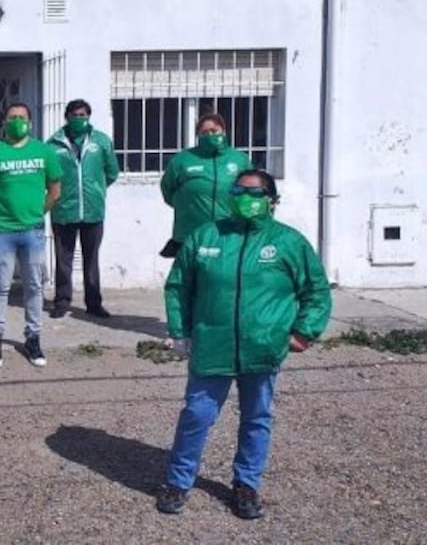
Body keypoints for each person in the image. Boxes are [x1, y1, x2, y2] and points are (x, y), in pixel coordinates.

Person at [156, 169, 332, 519]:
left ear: (272, 201)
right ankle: (178, 481)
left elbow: (316, 291)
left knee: (256, 417)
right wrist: (180, 331)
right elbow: (178, 286)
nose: (244, 197)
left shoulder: (288, 242)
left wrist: (304, 332)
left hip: (262, 347)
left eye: (254, 192)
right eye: (238, 190)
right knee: (197, 414)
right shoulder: (207, 235)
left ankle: (246, 484)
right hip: (212, 345)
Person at [0, 103, 62, 369]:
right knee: (0, 286)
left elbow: (55, 190)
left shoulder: (44, 151)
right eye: (12, 117)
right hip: (2, 231)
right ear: (4, 122)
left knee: (34, 286)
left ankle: (33, 338)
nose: (17, 121)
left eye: (21, 118)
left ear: (31, 123)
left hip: (33, 230)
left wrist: (37, 213)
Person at [47, 98, 119, 319]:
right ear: (66, 117)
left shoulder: (102, 142)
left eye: (83, 115)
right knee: (63, 259)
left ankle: (94, 303)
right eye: (75, 115)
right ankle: (62, 301)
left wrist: (95, 190)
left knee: (91, 258)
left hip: (92, 210)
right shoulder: (53, 144)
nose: (79, 119)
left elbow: (111, 172)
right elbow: (47, 177)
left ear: (89, 116)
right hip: (63, 211)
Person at [159, 113, 251, 258]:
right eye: (204, 132)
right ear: (198, 135)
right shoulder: (183, 160)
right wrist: (188, 204)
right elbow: (168, 189)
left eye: (214, 131)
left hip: (229, 229)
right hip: (191, 229)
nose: (210, 135)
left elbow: (249, 190)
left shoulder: (240, 159)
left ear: (224, 131)